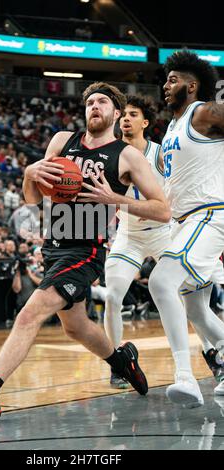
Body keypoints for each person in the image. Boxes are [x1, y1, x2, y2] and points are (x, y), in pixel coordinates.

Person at [0, 82, 170, 425]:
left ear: (116, 112)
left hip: (85, 251)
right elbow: (33, 198)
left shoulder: (127, 155)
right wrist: (28, 173)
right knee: (76, 327)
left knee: (28, 315)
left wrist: (116, 199)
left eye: (103, 102)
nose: (95, 106)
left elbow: (162, 210)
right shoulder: (63, 141)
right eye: (90, 102)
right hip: (54, 247)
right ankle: (122, 361)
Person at [148, 51, 224, 407]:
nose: (166, 85)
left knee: (161, 282)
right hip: (184, 224)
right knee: (195, 309)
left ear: (192, 86)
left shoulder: (205, 112)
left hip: (210, 215)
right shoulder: (171, 131)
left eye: (173, 80)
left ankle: (185, 377)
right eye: (166, 80)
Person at [104, 95, 172, 388]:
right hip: (128, 236)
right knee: (111, 296)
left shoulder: (160, 154)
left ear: (145, 122)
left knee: (188, 295)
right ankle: (118, 364)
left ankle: (211, 354)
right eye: (124, 114)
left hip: (163, 233)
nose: (126, 118)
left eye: (133, 114)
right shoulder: (110, 154)